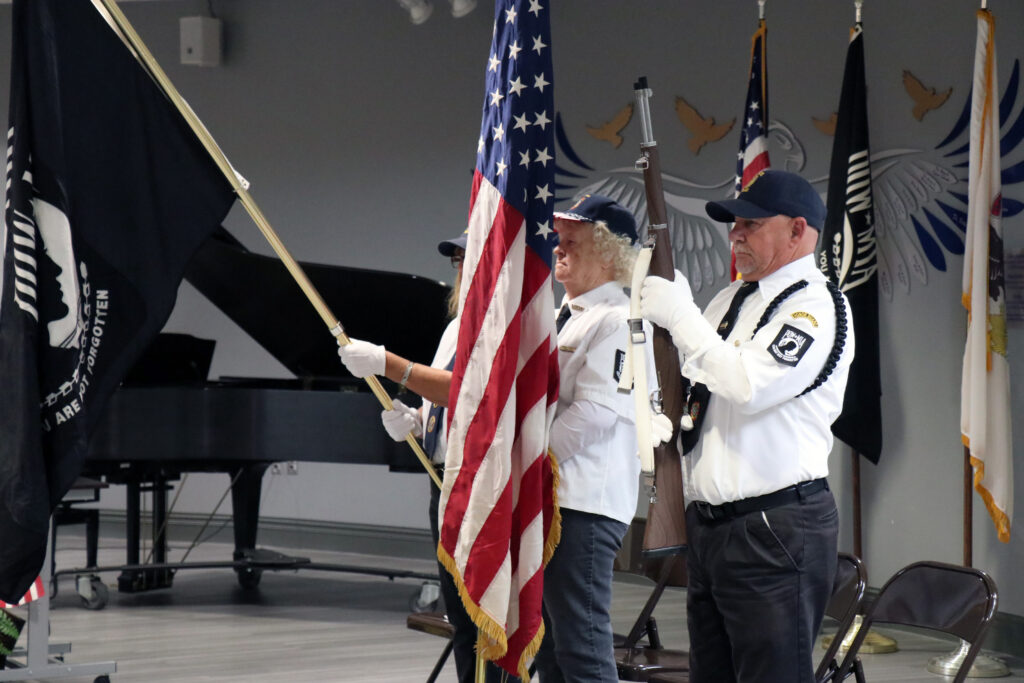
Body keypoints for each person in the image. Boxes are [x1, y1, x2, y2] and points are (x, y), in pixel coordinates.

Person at [639, 169, 854, 683]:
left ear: (798, 230)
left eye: (751, 224)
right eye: (734, 223)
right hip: (712, 527)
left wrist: (681, 317)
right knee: (711, 674)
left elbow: (747, 384)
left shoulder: (816, 308)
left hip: (773, 526)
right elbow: (691, 383)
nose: (735, 233)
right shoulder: (729, 302)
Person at [337, 232, 517, 683]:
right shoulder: (457, 326)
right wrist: (418, 420)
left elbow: (467, 391)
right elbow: (446, 401)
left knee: (490, 624)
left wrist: (389, 363)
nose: (459, 267)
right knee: (460, 621)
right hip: (445, 484)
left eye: (467, 257)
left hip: (484, 488)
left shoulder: (501, 323)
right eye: (456, 259)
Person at [533, 194, 651, 683]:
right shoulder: (565, 315)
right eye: (558, 240)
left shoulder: (617, 320)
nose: (558, 249)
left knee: (582, 650)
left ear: (608, 253)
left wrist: (530, 462)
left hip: (583, 505)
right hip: (552, 498)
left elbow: (595, 414)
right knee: (551, 652)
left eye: (572, 241)